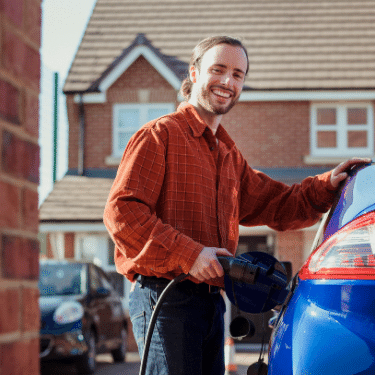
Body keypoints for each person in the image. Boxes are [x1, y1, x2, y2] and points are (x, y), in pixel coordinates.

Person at [103, 36, 370, 375]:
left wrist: (327, 184)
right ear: (195, 73)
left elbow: (278, 204)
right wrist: (191, 254)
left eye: (238, 74)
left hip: (212, 302)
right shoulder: (159, 136)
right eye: (218, 70)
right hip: (164, 299)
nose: (228, 82)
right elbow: (122, 214)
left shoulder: (228, 156)